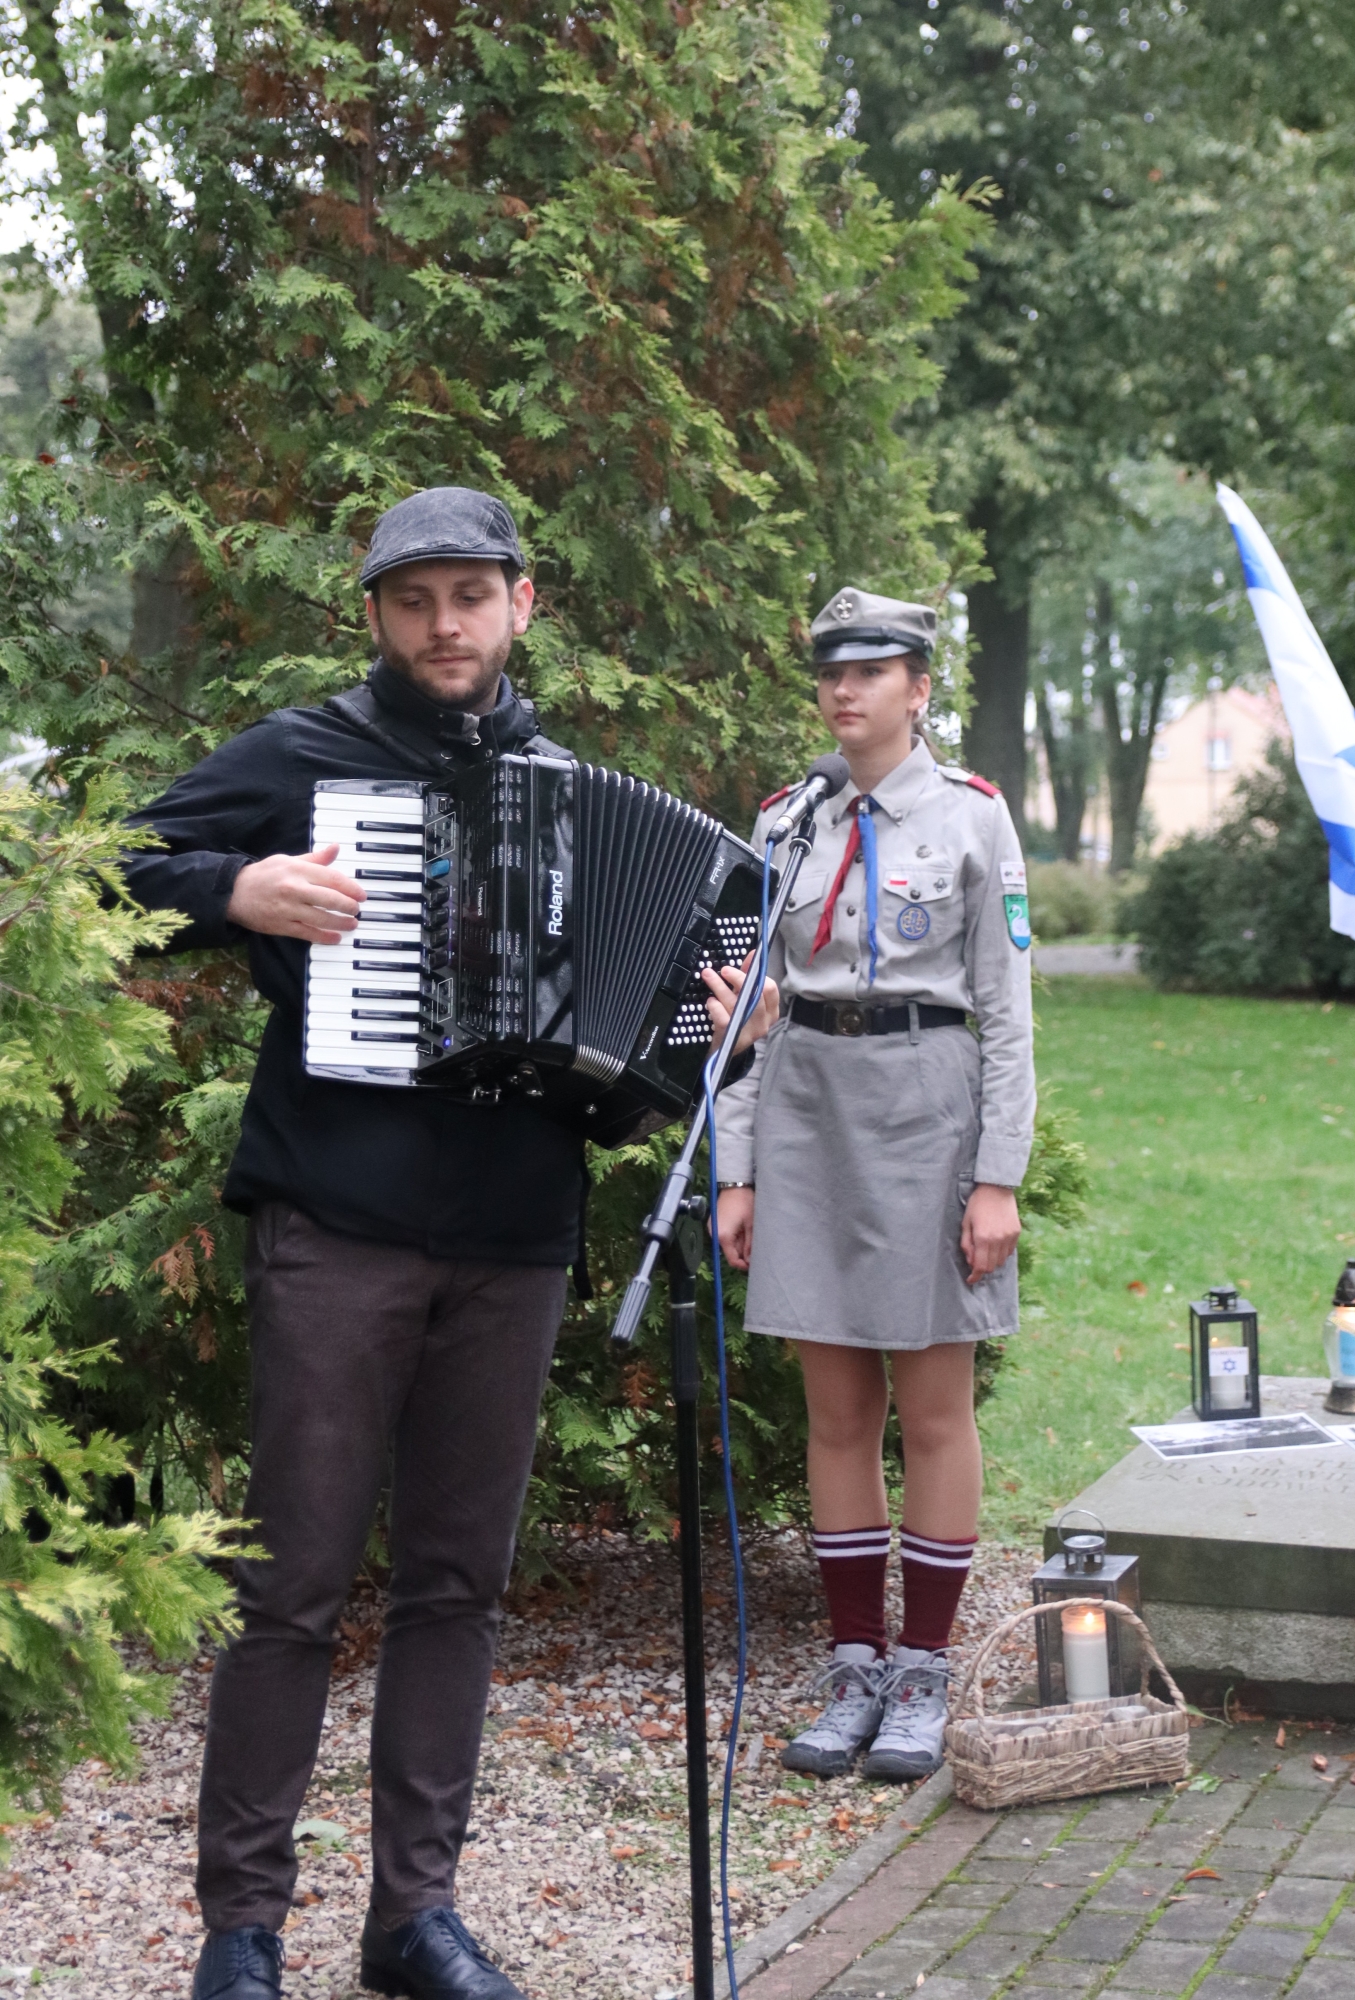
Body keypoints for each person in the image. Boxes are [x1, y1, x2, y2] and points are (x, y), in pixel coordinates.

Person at [121, 487, 775, 2000]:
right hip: (336, 1224)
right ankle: (242, 1927)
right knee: (290, 1585)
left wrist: (720, 1031)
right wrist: (234, 889)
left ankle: (413, 1916)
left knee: (456, 1587)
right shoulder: (306, 755)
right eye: (412, 599)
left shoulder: (564, 785)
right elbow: (111, 868)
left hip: (513, 1236)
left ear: (519, 604)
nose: (442, 625)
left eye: (469, 595)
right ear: (372, 614)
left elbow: (646, 1065)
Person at [714, 586, 1035, 1783]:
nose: (843, 690)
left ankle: (923, 1668)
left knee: (933, 1407)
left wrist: (995, 1176)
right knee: (836, 1411)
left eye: (869, 670)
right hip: (805, 1112)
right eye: (829, 671)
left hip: (925, 1111)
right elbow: (748, 1013)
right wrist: (736, 1168)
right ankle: (853, 1661)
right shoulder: (784, 820)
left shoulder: (970, 818)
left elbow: (1006, 1014)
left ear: (917, 686)